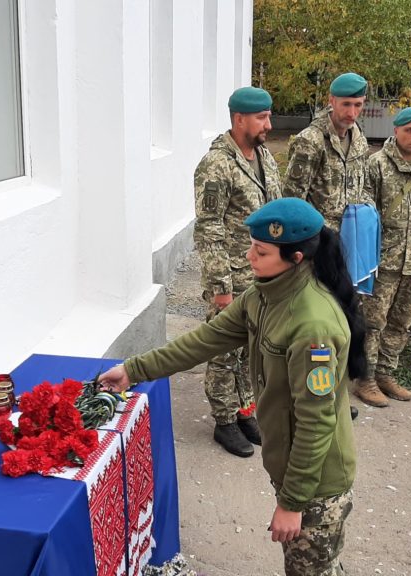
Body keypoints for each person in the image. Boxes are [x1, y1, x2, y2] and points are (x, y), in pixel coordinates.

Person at [98, 198, 365, 576]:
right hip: (292, 467)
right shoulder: (263, 295)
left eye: (261, 251)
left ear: (297, 258)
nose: (249, 256)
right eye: (251, 246)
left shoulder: (312, 325)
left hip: (317, 481)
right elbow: (205, 340)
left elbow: (316, 423)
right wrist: (133, 370)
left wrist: (293, 502)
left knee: (312, 569)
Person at [193, 86, 281, 456]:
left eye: (269, 116)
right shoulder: (217, 164)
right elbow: (208, 229)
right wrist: (220, 286)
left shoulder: (264, 157)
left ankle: (245, 409)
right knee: (225, 349)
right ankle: (224, 420)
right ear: (239, 118)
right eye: (262, 117)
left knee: (251, 349)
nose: (268, 124)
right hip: (232, 277)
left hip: (262, 276)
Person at [354, 107, 411, 407]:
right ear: (396, 131)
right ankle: (365, 380)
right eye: (409, 130)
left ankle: (385, 375)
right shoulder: (376, 165)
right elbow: (363, 216)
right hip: (383, 261)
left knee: (400, 323)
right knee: (372, 324)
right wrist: (364, 262)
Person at [284, 72, 372, 229]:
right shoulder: (310, 141)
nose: (352, 113)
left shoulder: (359, 140)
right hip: (319, 239)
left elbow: (363, 187)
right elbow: (292, 201)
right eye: (346, 104)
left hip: (352, 237)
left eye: (358, 105)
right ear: (332, 100)